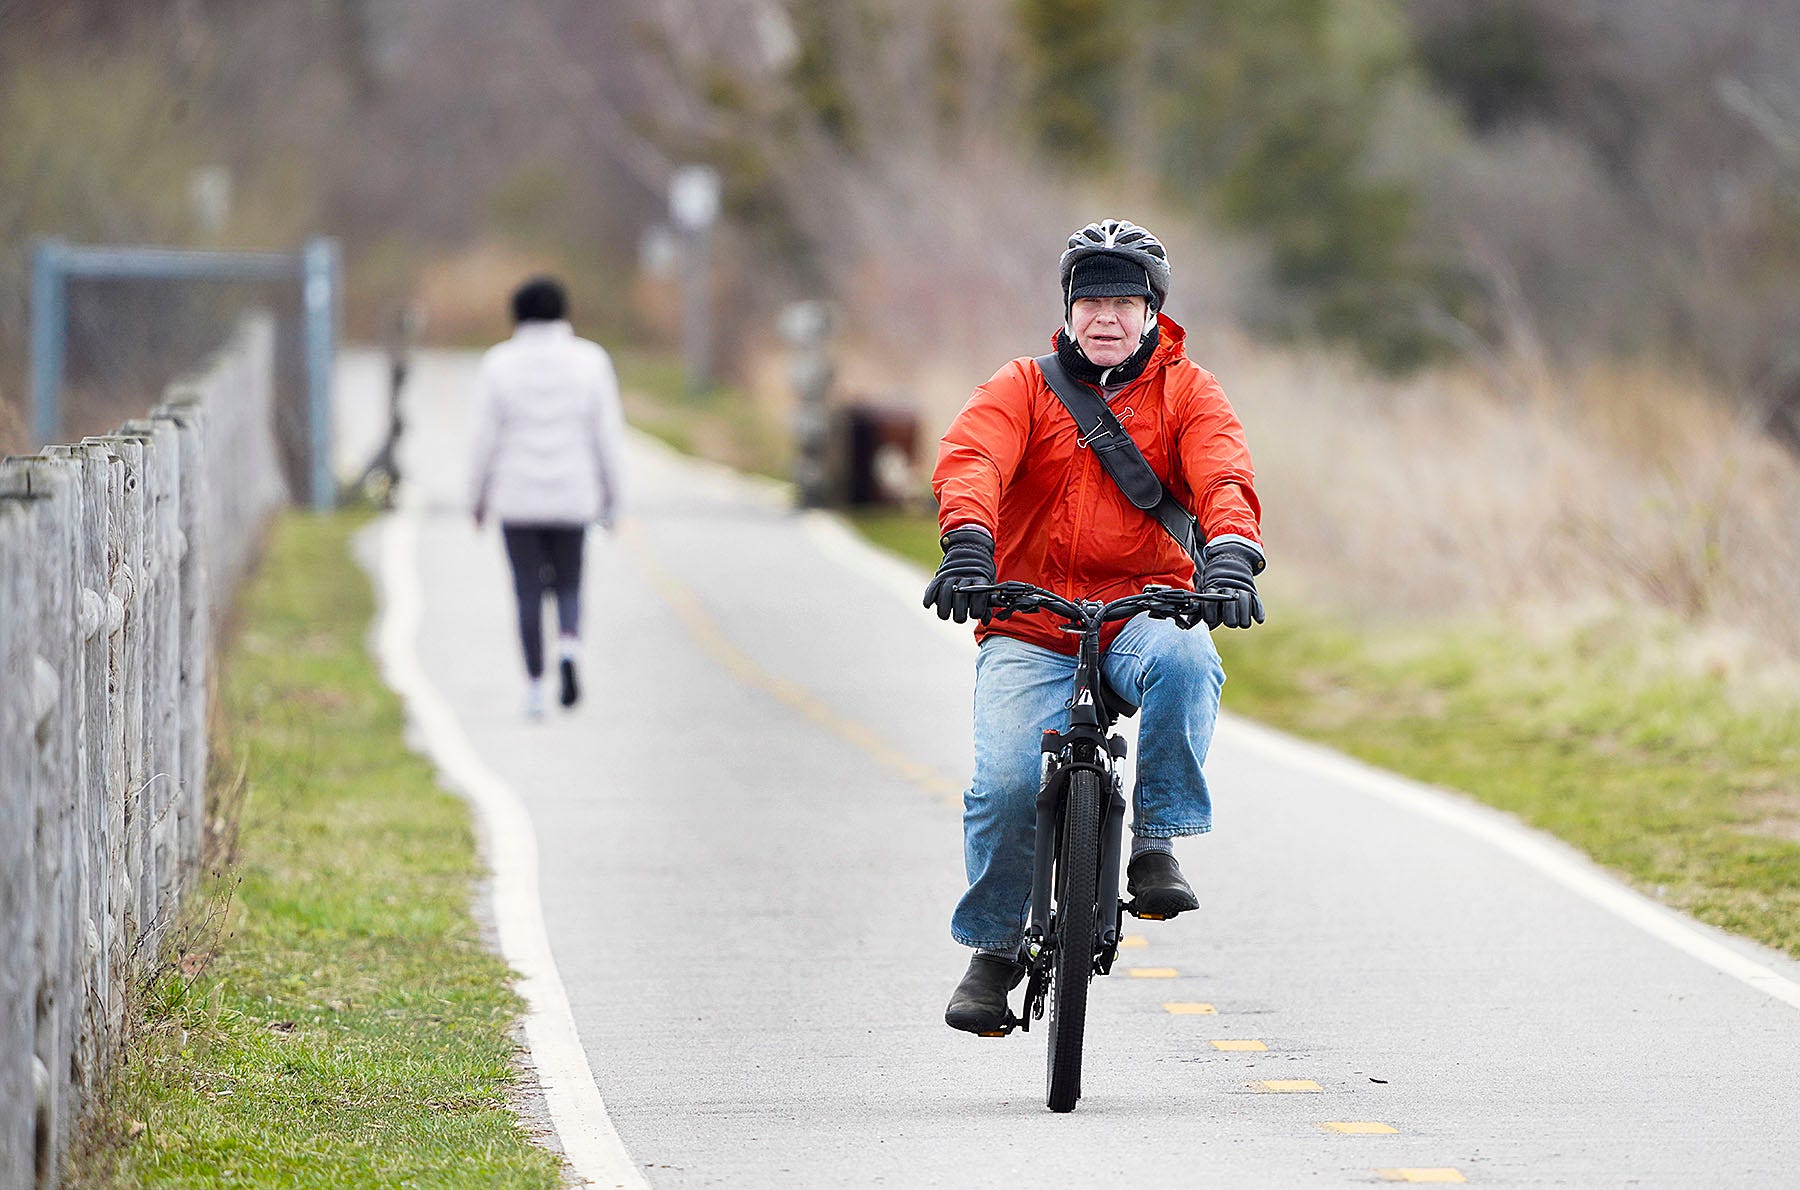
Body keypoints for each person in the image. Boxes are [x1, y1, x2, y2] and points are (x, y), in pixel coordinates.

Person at [924, 219, 1265, 1034]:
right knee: (1003, 785)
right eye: (1090, 301)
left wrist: (1230, 558)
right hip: (1029, 618)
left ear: (1153, 312)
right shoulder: (1022, 387)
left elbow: (1223, 473)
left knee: (1190, 659)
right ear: (1068, 310)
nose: (1105, 317)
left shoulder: (1189, 394)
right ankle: (994, 952)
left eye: (1123, 301)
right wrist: (970, 544)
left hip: (1146, 609)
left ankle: (1155, 842)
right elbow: (973, 459)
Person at [469, 276, 626, 718]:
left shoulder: (498, 364)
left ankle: (535, 686)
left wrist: (476, 501)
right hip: (574, 495)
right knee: (570, 582)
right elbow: (608, 438)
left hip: (517, 498)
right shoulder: (591, 361)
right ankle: (571, 647)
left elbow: (484, 441)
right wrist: (615, 500)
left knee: (527, 592)